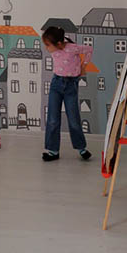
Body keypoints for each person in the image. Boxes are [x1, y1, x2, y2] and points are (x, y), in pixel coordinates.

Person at [41, 26, 93, 162]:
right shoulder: (54, 49)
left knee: (74, 119)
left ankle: (81, 148)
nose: (46, 48)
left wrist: (83, 66)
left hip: (71, 86)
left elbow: (89, 49)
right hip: (56, 85)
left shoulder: (72, 48)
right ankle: (53, 151)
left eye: (48, 45)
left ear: (58, 43)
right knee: (53, 119)